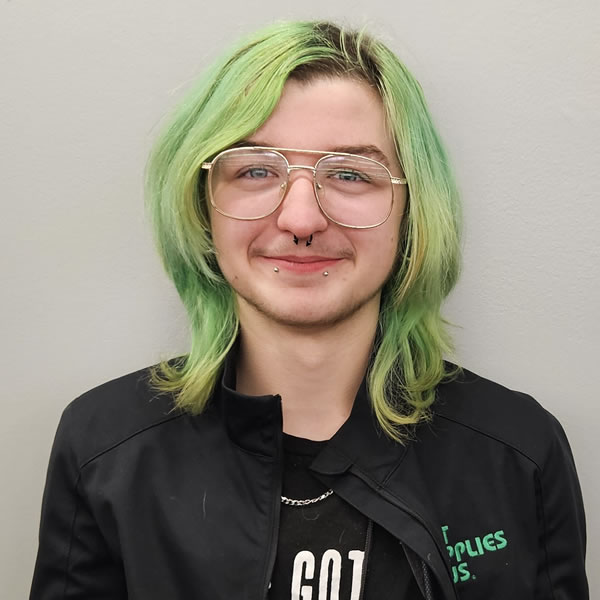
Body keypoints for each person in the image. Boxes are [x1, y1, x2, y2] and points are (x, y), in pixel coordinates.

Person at [30, 20, 588, 600]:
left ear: (412, 210)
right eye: (255, 170)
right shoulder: (104, 451)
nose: (301, 220)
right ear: (202, 206)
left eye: (349, 174)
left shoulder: (518, 453)